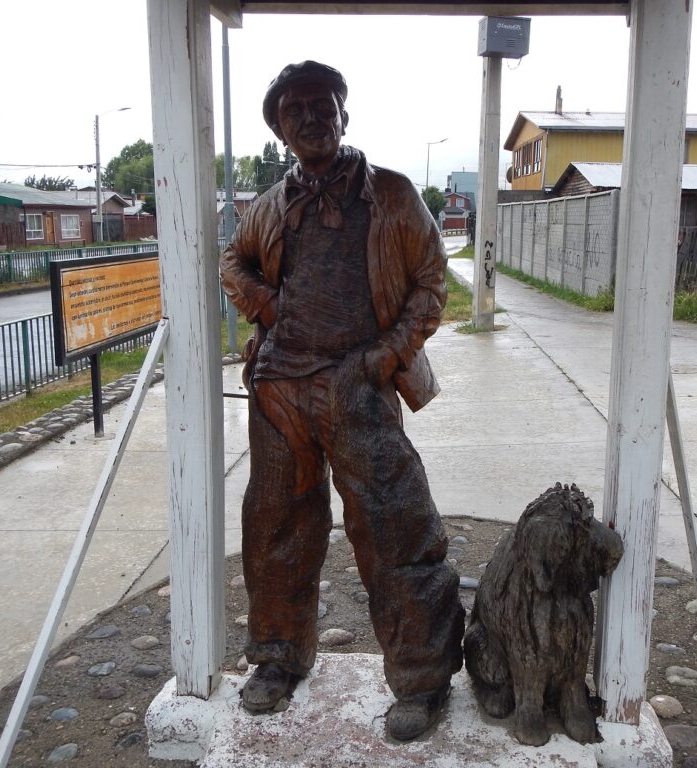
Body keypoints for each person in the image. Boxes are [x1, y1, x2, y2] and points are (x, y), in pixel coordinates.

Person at [219, 61, 465, 742]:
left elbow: (430, 281)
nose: (311, 116)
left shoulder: (388, 193)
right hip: (279, 390)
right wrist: (265, 301)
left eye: (323, 103)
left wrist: (381, 359)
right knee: (275, 529)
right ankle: (276, 659)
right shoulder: (269, 204)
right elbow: (231, 262)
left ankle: (421, 679)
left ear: (344, 114)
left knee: (395, 526)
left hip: (357, 387)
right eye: (294, 109)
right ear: (278, 128)